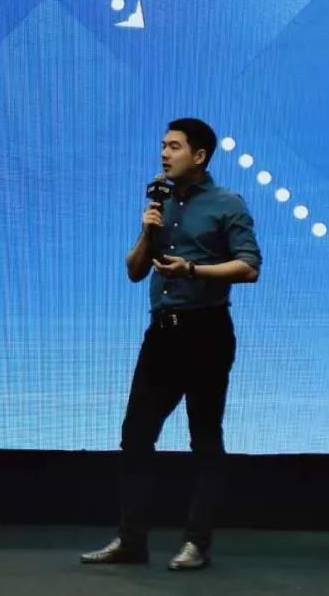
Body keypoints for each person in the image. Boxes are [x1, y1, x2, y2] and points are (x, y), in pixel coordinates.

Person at [80, 118, 263, 571]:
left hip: (206, 333)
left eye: (175, 147)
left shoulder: (227, 204)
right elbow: (134, 271)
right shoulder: (159, 203)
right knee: (136, 436)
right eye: (163, 146)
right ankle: (131, 541)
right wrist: (148, 231)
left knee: (204, 438)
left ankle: (197, 543)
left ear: (199, 156)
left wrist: (192, 270)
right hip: (162, 334)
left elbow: (249, 267)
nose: (164, 154)